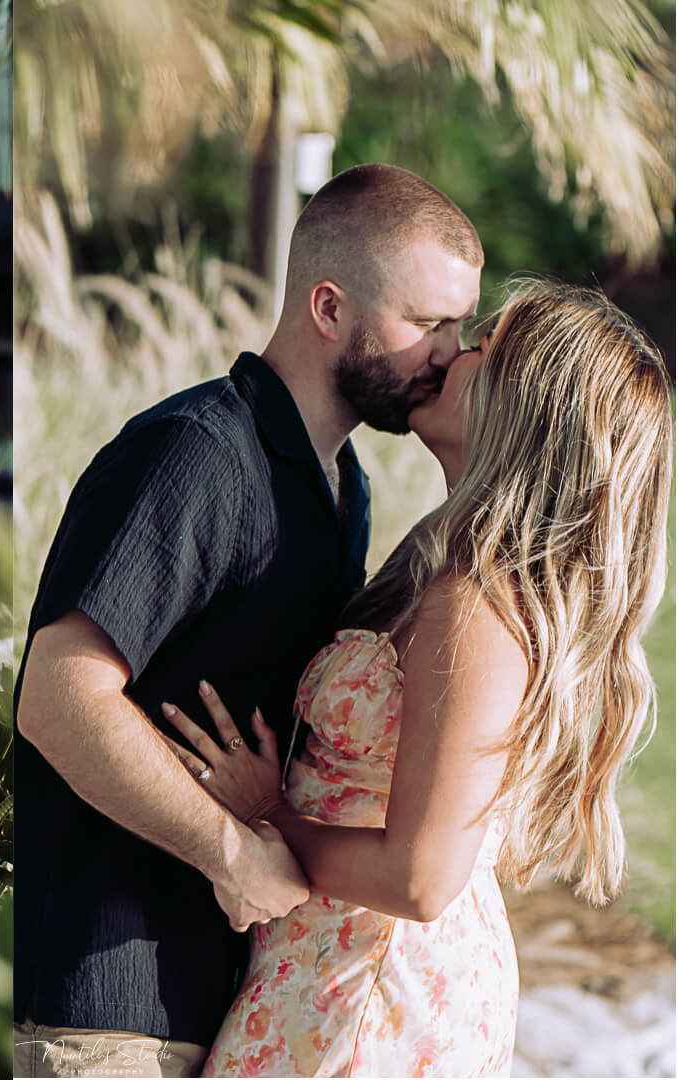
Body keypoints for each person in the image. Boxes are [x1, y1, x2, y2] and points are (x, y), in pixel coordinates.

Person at [13, 163, 483, 1077]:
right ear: (328, 307)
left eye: (459, 326)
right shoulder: (195, 453)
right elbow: (57, 696)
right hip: (110, 1013)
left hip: (227, 997)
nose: (448, 352)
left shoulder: (345, 490)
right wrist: (228, 848)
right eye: (428, 322)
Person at [162, 280, 671, 1076]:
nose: (451, 352)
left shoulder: (476, 608)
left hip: (373, 990)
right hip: (342, 966)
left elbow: (422, 877)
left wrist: (264, 813)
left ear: (525, 407)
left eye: (483, 348)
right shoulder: (452, 576)